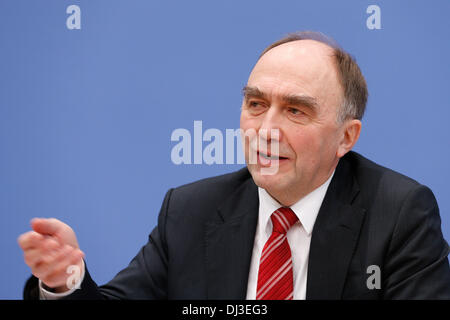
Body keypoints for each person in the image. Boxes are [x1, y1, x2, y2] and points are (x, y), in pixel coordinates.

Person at [18, 31, 450, 300]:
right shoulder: (191, 210)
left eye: (296, 111)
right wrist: (65, 280)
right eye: (256, 104)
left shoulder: (398, 213)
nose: (266, 129)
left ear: (346, 137)